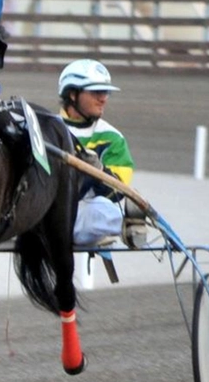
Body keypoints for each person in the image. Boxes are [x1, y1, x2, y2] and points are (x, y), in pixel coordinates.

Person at [58, 59, 148, 248]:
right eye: (96, 91)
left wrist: (98, 171)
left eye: (105, 92)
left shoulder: (112, 138)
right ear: (73, 94)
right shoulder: (46, 129)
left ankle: (128, 225)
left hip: (83, 216)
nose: (104, 98)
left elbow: (117, 193)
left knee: (104, 209)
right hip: (45, 213)